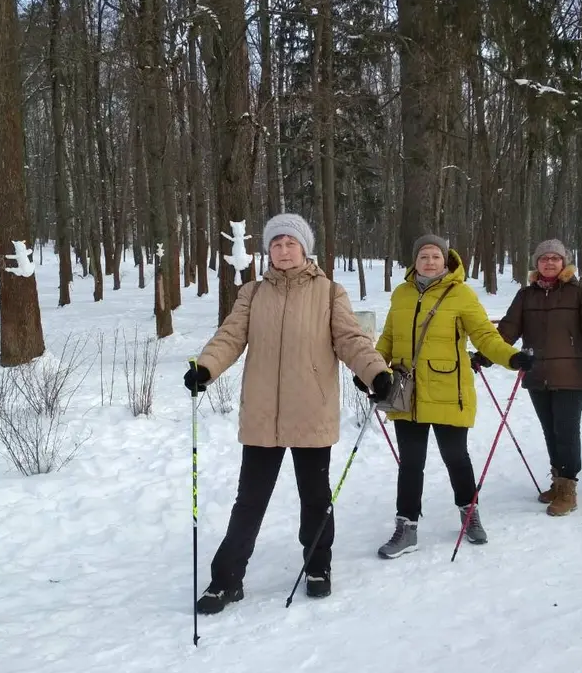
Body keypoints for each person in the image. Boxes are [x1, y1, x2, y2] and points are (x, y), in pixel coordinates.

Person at [184, 213, 392, 614]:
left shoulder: (329, 293)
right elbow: (230, 336)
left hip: (311, 411)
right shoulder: (252, 293)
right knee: (249, 500)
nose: (283, 250)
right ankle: (226, 580)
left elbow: (351, 339)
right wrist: (205, 368)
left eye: (290, 243)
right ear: (268, 251)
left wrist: (376, 372)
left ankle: (318, 567)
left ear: (304, 249)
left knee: (315, 497)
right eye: (276, 244)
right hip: (262, 414)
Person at [365, 234, 533, 559]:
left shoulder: (461, 294)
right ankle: (406, 527)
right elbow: (388, 339)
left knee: (456, 457)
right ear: (414, 261)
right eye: (423, 256)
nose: (429, 262)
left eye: (435, 257)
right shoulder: (401, 293)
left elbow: (485, 336)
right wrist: (371, 371)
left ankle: (470, 515)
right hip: (407, 393)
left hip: (449, 390)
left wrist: (511, 358)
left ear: (446, 260)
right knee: (410, 463)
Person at [491, 239, 582, 517]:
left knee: (566, 430)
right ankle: (558, 480)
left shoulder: (578, 293)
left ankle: (568, 489)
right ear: (536, 264)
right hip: (537, 373)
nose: (549, 263)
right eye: (544, 259)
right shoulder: (526, 296)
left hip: (571, 374)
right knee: (550, 430)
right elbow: (507, 329)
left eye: (555, 258)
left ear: (564, 262)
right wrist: (486, 354)